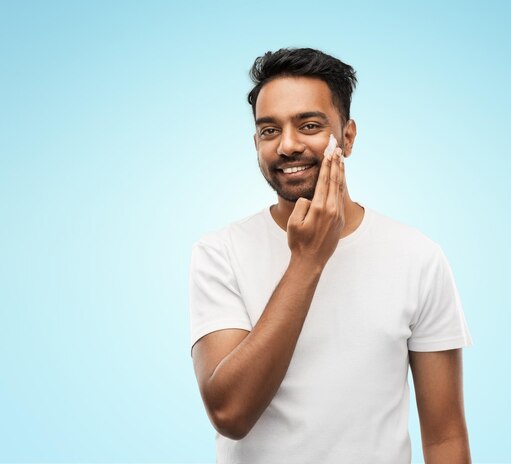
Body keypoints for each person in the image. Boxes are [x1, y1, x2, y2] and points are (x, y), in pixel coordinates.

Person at [189, 47, 474, 464]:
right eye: (269, 131)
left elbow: (445, 437)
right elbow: (229, 413)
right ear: (256, 142)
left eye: (308, 125)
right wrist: (307, 260)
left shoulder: (418, 257)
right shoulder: (220, 253)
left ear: (348, 136)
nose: (287, 145)